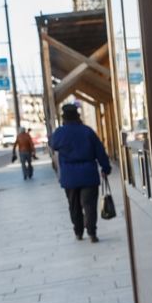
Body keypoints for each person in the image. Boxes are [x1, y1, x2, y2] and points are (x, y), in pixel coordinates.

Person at [50, 103, 111, 242]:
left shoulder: (60, 133)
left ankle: (78, 231)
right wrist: (105, 168)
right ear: (78, 116)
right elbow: (99, 151)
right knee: (89, 205)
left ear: (64, 118)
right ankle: (92, 232)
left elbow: (53, 145)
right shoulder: (87, 131)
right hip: (88, 173)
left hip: (69, 176)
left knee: (74, 205)